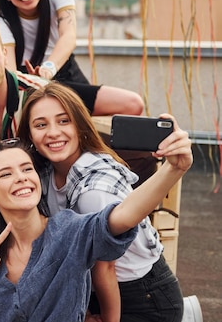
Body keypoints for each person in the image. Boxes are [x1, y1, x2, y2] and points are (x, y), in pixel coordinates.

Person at [0, 127, 192, 321]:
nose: (22, 177)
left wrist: (173, 168)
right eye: (5, 174)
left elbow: (122, 216)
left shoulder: (69, 232)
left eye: (27, 169)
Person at [0, 8, 143, 199]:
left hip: (59, 186)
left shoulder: (36, 94)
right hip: (15, 184)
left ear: (5, 55)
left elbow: (53, 164)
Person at [17, 82, 185, 321]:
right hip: (96, 288)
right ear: (30, 134)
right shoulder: (43, 173)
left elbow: (105, 267)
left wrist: (105, 318)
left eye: (64, 121)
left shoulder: (93, 192)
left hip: (140, 296)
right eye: (41, 124)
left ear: (81, 126)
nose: (53, 132)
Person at [0, 0, 144, 116]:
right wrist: (31, 82)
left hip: (61, 69)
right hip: (28, 84)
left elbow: (69, 36)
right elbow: (10, 69)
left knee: (133, 104)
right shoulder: (0, 18)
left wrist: (48, 70)